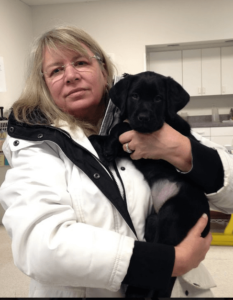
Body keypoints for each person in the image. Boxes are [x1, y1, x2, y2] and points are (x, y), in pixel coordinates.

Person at [0, 26, 232, 298]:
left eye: (81, 62)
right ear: (44, 84)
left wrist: (180, 149)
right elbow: (40, 246)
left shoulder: (159, 124)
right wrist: (171, 261)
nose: (71, 75)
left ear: (103, 68)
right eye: (56, 70)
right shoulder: (35, 146)